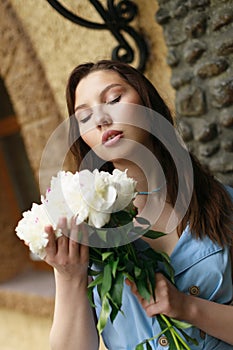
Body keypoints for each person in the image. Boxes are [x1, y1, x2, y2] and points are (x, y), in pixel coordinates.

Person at [43, 60, 233, 350]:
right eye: (84, 117)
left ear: (147, 102)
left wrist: (186, 307)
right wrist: (69, 277)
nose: (101, 119)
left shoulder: (223, 205)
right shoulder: (87, 234)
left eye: (114, 99)